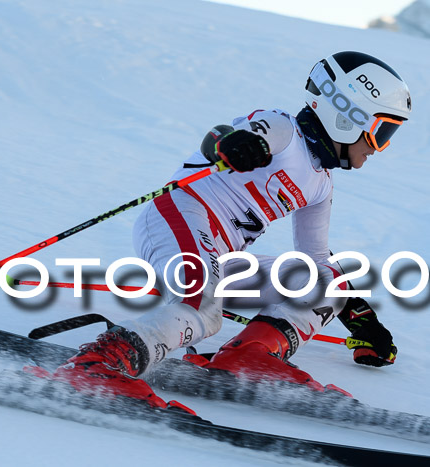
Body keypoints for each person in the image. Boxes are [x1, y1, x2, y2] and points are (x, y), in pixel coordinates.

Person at [52, 51, 411, 409]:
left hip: (219, 256)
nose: (381, 147)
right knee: (203, 310)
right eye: (382, 131)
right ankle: (97, 364)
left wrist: (357, 315)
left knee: (328, 277)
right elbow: (224, 138)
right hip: (179, 217)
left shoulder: (321, 185)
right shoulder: (282, 129)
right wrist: (236, 145)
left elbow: (314, 260)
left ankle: (250, 356)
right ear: (347, 115)